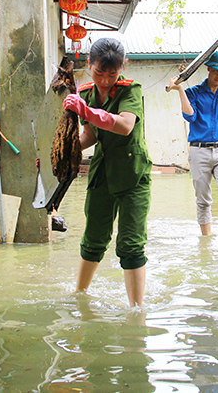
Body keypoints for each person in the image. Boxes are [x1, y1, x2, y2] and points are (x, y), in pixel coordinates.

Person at [62, 38, 152, 307]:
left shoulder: (130, 90)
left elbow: (124, 126)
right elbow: (89, 135)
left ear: (122, 67)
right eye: (99, 72)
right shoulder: (86, 92)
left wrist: (87, 111)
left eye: (112, 74)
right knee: (94, 236)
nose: (104, 80)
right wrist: (62, 155)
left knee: (131, 242)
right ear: (89, 64)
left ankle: (137, 311)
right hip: (102, 171)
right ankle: (79, 297)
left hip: (133, 173)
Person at [167, 32, 218, 236]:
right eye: (217, 72)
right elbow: (190, 116)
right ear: (209, 69)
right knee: (203, 200)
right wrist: (179, 90)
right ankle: (206, 240)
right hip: (199, 152)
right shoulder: (193, 92)